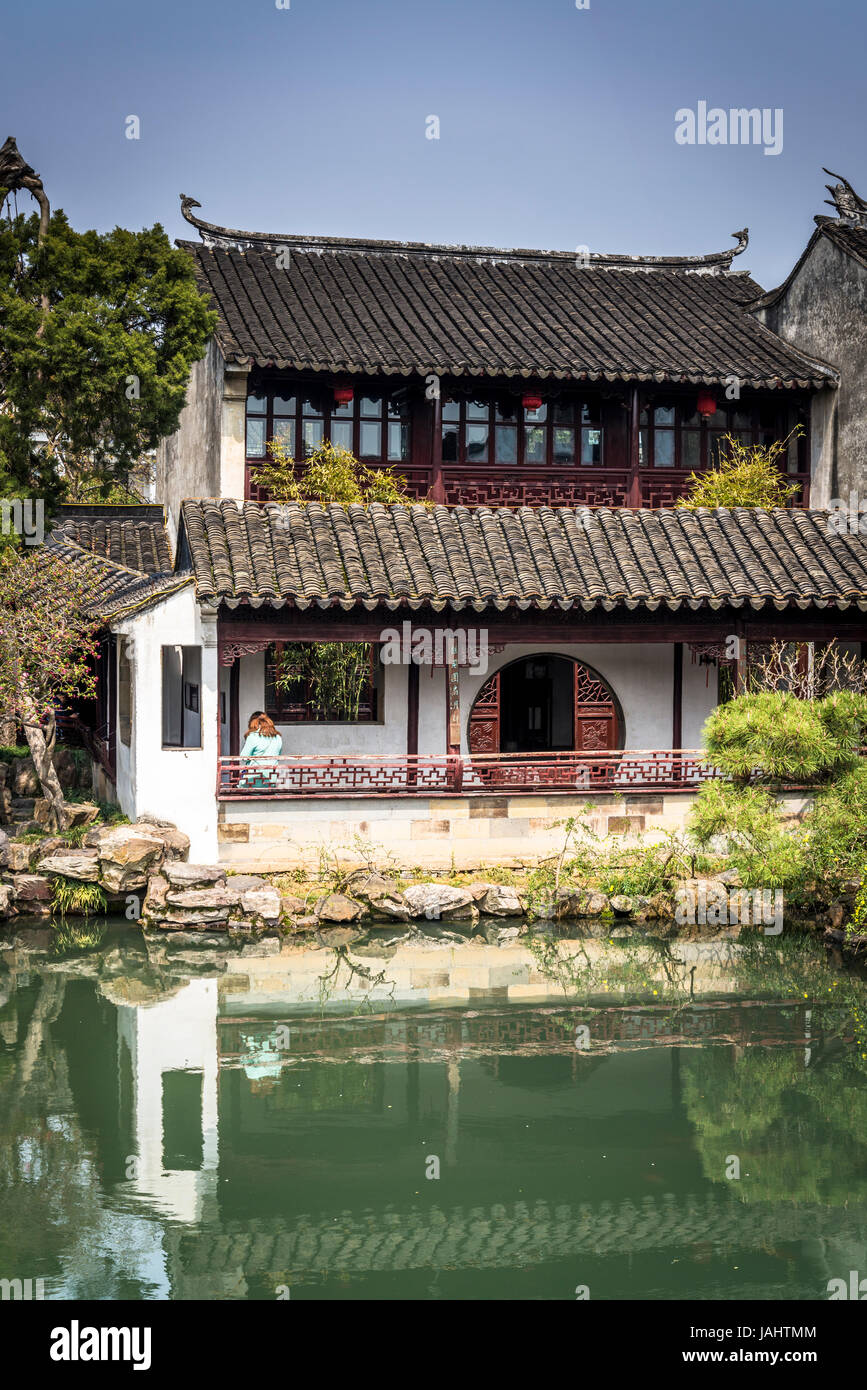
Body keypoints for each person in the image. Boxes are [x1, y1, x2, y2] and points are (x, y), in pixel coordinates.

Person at [238, 711, 283, 789]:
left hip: (253, 781)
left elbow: (243, 758)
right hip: (271, 781)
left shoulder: (253, 736)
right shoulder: (278, 737)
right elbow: (278, 754)